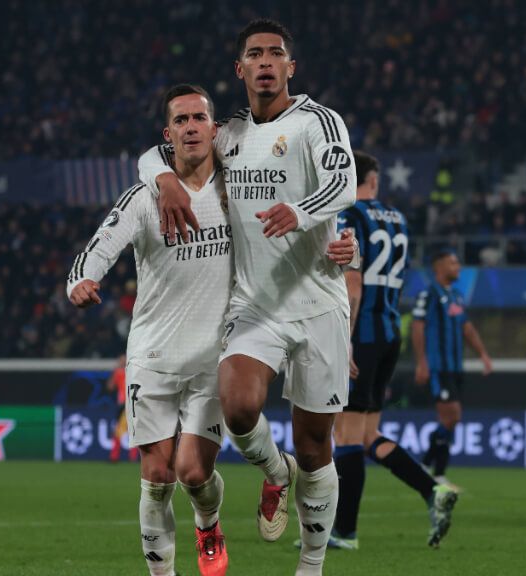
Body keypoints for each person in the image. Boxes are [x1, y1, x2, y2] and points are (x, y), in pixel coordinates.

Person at [70, 83, 356, 576]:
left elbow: (306, 192)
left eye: (198, 118)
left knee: (192, 471)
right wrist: (84, 277)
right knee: (156, 477)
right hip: (152, 354)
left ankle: (238, 501)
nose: (190, 127)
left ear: (215, 128)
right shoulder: (145, 196)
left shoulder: (235, 182)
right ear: (169, 133)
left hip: (215, 353)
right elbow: (103, 239)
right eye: (180, 121)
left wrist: (346, 248)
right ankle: (184, 553)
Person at [139, 19, 358, 575]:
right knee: (237, 408)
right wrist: (162, 180)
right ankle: (274, 472)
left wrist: (306, 215)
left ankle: (310, 565)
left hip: (318, 305)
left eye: (275, 54)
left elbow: (344, 182)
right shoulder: (228, 133)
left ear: (290, 67)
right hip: (254, 306)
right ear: (240, 70)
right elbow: (158, 152)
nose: (265, 62)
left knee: (316, 450)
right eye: (255, 54)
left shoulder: (317, 122)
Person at [320, 151, 458, 551]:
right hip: (388, 333)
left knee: (344, 434)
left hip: (360, 333)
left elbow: (353, 285)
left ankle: (345, 532)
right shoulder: (397, 219)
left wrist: (343, 340)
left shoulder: (348, 216)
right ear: (375, 180)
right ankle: (433, 490)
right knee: (366, 435)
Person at [412, 250, 492, 489]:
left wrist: (483, 354)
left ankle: (427, 466)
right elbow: (418, 327)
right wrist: (422, 362)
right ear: (439, 267)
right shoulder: (429, 295)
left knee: (451, 419)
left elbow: (466, 328)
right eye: (453, 262)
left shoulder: (456, 296)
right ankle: (437, 473)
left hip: (455, 367)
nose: (458, 266)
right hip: (438, 367)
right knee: (452, 416)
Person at [107, 354, 139, 463]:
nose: (121, 362)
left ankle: (115, 457)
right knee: (132, 432)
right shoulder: (131, 371)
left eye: (122, 360)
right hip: (128, 405)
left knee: (120, 432)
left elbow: (110, 387)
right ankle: (131, 457)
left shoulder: (120, 372)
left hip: (126, 405)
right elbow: (110, 387)